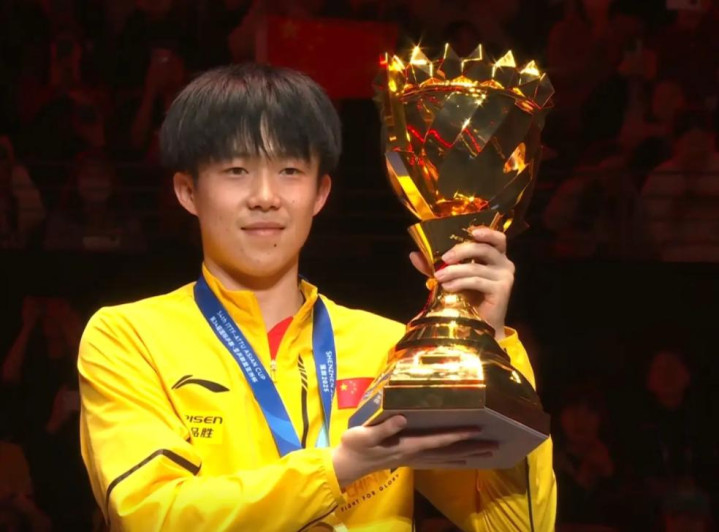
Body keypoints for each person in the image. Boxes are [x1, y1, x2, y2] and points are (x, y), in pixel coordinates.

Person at [78, 64, 556, 531]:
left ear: (320, 193)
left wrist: (491, 344)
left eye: (289, 170)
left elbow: (513, 526)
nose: (265, 196)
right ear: (188, 192)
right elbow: (147, 516)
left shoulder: (392, 350)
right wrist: (337, 468)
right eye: (237, 170)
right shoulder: (129, 337)